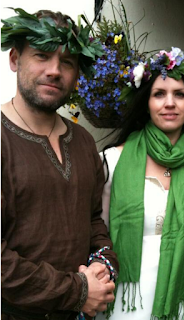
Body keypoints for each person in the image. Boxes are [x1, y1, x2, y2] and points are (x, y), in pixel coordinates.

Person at [96, 46, 184, 320]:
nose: (169, 103)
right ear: (146, 104)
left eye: (179, 95)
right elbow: (97, 234)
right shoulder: (111, 162)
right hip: (129, 301)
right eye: (159, 94)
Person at [1, 8, 119, 320]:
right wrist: (78, 291)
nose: (55, 70)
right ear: (15, 59)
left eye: (67, 62)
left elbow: (93, 220)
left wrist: (102, 265)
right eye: (42, 56)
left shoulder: (81, 141)